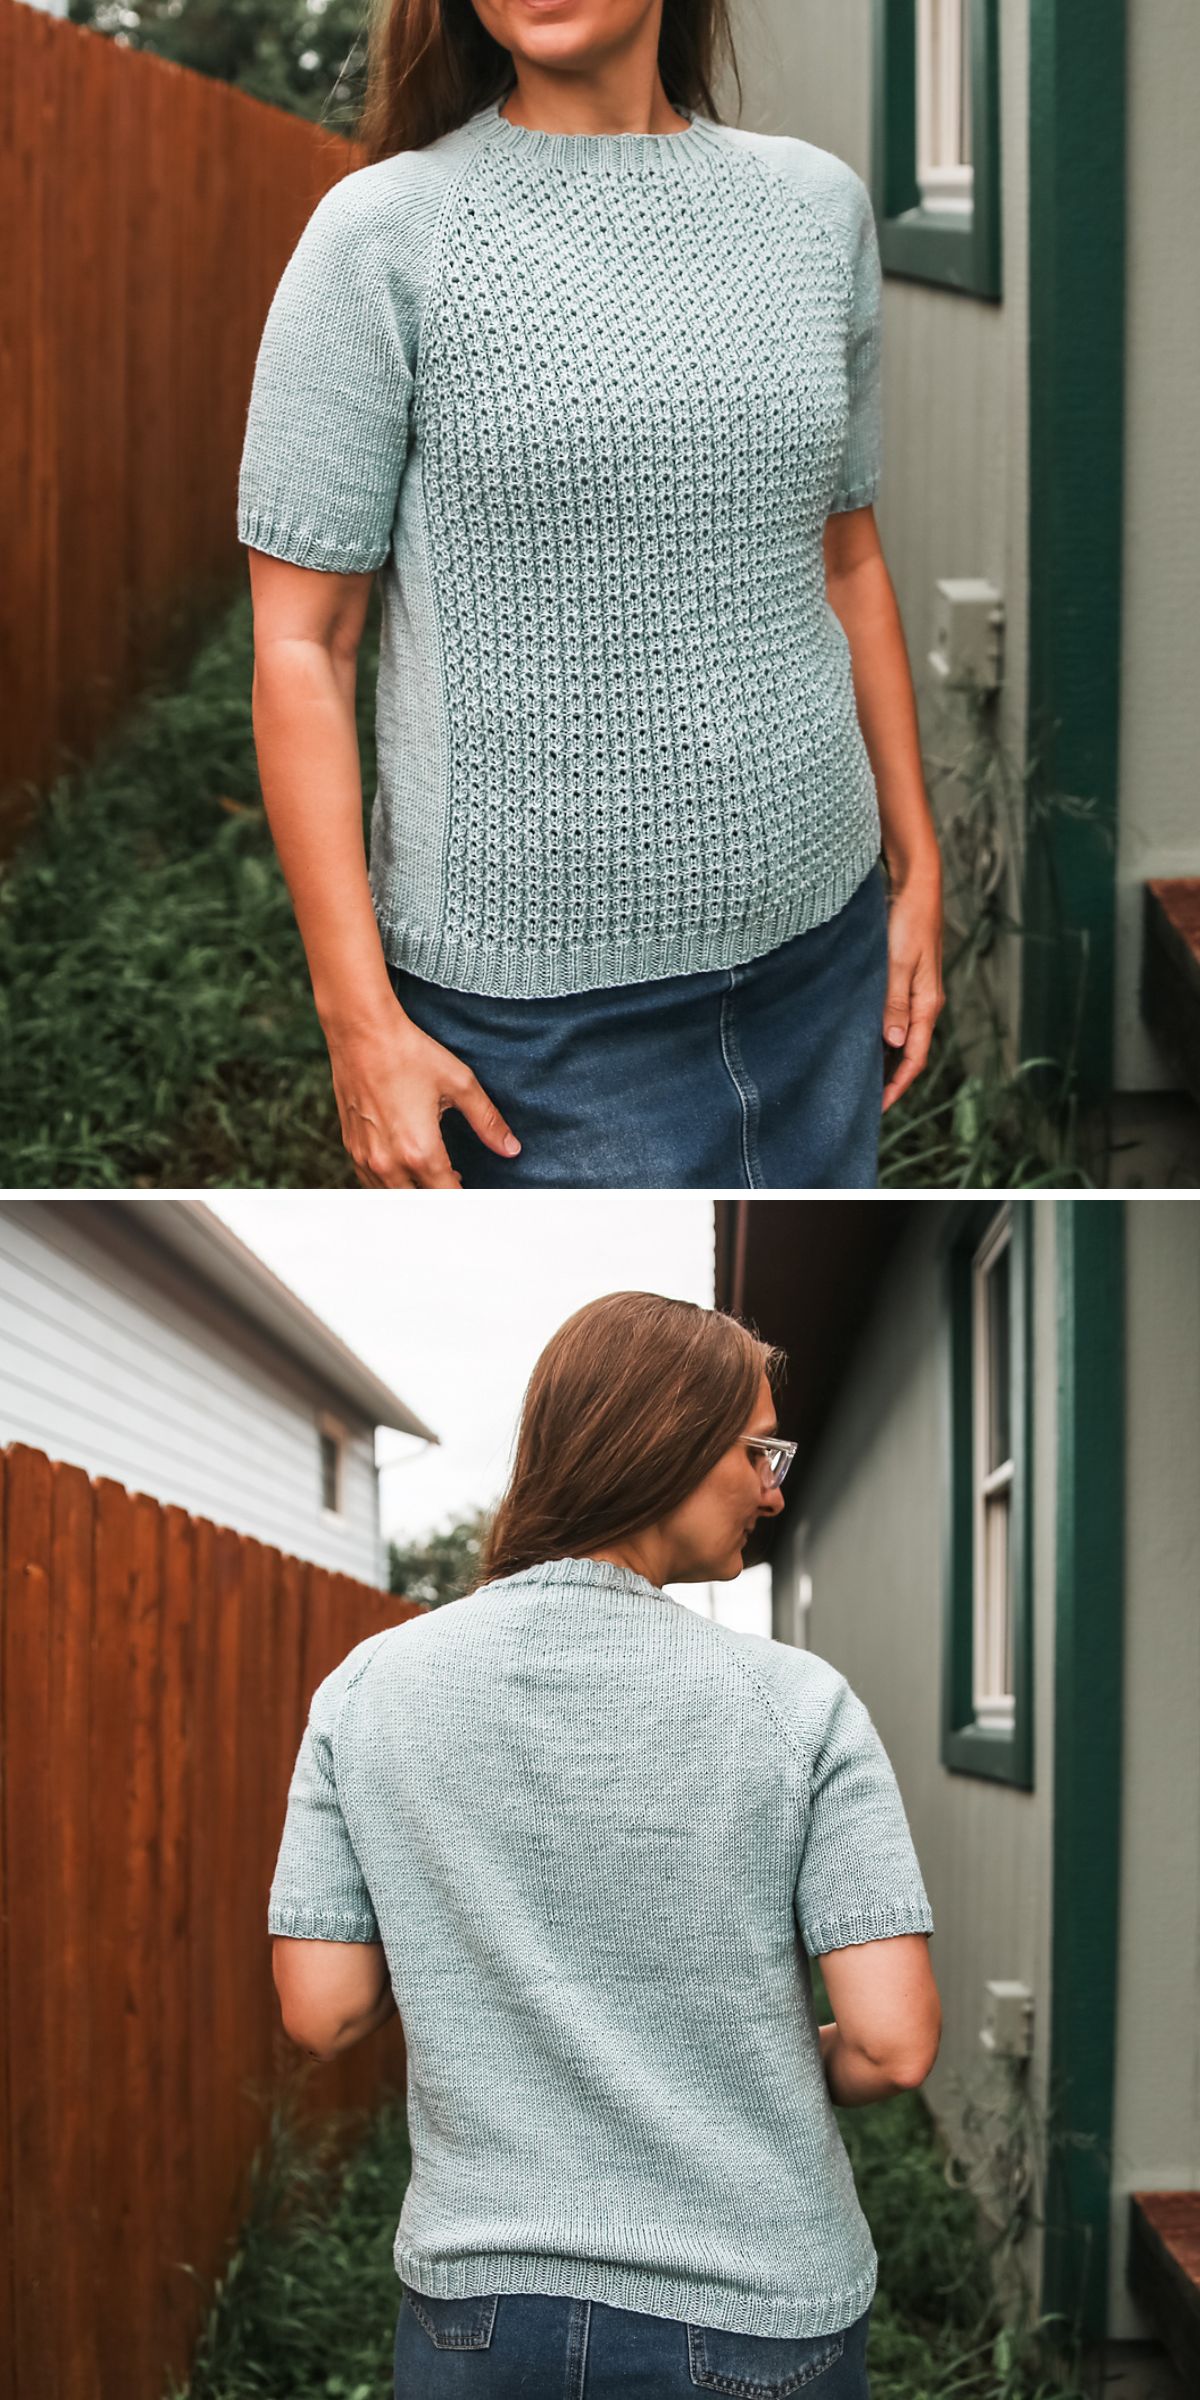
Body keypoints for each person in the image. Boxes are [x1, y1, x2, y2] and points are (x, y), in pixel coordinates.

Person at [236, 0, 945, 1190]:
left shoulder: (816, 209)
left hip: (825, 961)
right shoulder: (385, 234)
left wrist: (916, 872)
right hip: (537, 1035)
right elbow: (303, 642)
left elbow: (848, 560)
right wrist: (359, 1023)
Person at [268, 1292, 941, 2398]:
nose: (776, 1490)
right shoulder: (795, 1705)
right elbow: (894, 2044)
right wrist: (746, 2068)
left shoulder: (368, 1692)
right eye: (758, 1450)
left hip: (477, 2320)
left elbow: (324, 2010)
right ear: (662, 1438)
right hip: (756, 2311)